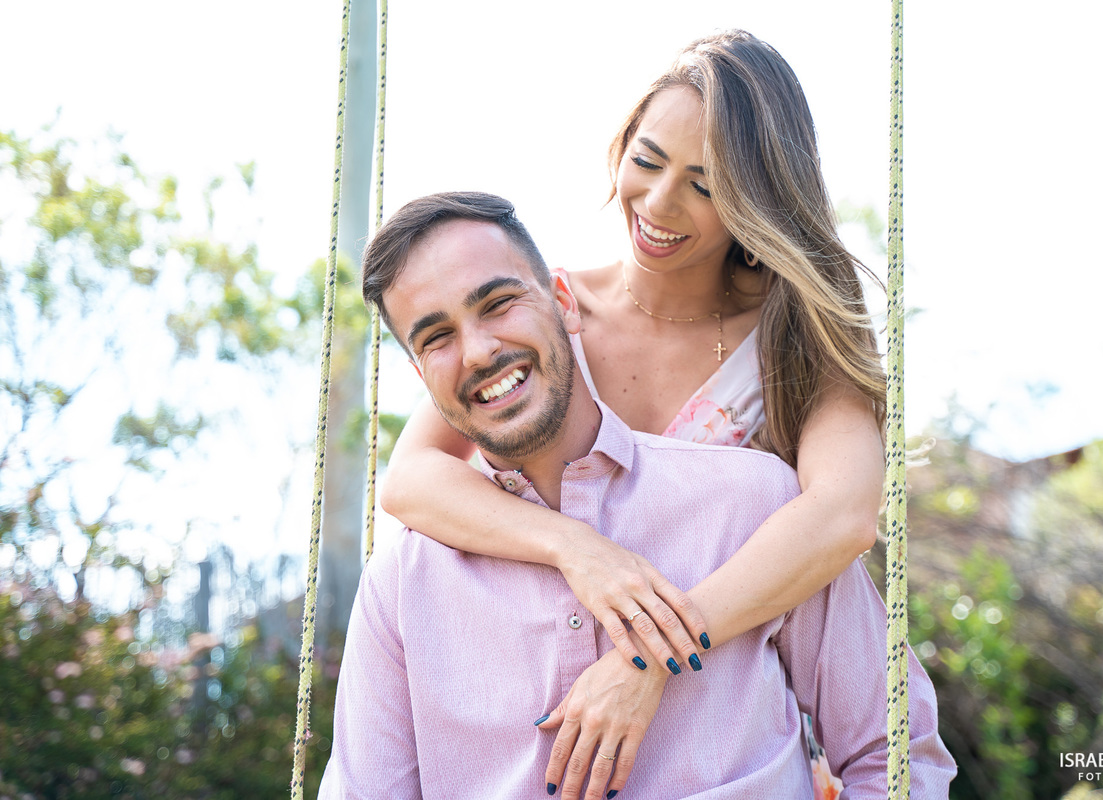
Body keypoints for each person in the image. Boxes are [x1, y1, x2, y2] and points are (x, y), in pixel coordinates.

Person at [382, 29, 888, 798]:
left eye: (705, 184)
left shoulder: (794, 337)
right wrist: (577, 550)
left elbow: (845, 516)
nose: (657, 203)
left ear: (758, 197)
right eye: (646, 162)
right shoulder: (551, 311)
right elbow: (412, 482)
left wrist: (651, 656)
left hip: (721, 729)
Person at [321, 191, 954, 799]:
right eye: (436, 338)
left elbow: (895, 753)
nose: (479, 351)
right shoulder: (402, 585)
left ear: (564, 301)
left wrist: (654, 653)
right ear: (419, 373)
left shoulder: (755, 506)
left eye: (498, 304)